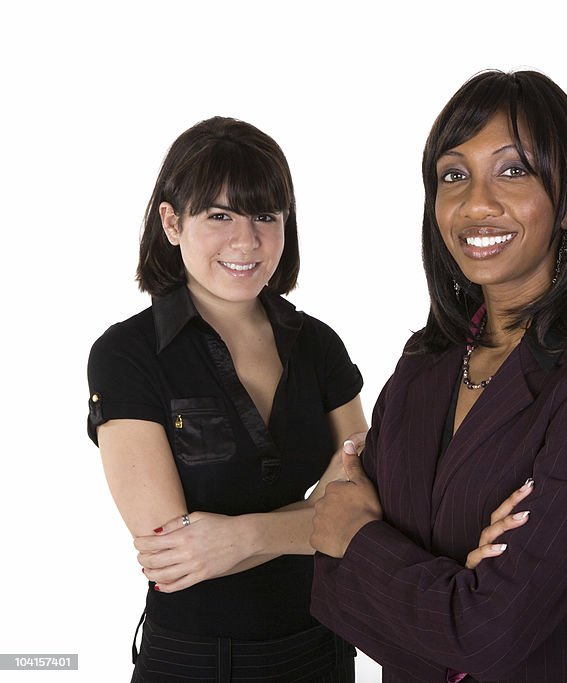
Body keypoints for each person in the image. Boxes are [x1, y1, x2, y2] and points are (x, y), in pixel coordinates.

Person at [307, 70, 567, 682]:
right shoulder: (423, 364)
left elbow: (486, 632)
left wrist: (358, 536)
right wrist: (453, 592)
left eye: (513, 170)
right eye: (453, 175)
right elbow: (331, 593)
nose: (476, 203)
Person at [86, 117, 368, 682]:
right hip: (194, 657)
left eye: (265, 216)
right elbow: (175, 554)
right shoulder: (126, 354)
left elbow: (363, 503)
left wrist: (241, 536)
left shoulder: (318, 344)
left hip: (323, 645)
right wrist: (318, 523)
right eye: (219, 215)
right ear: (172, 221)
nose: (247, 241)